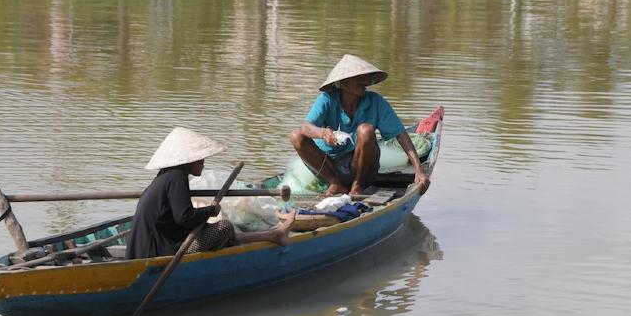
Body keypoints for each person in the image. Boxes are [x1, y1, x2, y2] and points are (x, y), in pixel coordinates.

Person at [126, 127, 295, 260]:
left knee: (213, 230)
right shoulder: (177, 176)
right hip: (158, 252)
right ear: (190, 160)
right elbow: (184, 217)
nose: (203, 164)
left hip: (154, 246)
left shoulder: (166, 176)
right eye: (200, 160)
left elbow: (179, 217)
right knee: (224, 227)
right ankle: (274, 235)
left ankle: (274, 235)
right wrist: (211, 210)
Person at [289, 54, 430, 196]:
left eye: (366, 77)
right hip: (329, 167)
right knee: (296, 136)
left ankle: (357, 186)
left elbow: (401, 135)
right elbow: (306, 127)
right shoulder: (327, 100)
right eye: (358, 78)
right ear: (343, 83)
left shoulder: (376, 102)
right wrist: (322, 133)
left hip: (361, 169)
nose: (365, 82)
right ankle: (335, 184)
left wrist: (419, 170)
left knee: (366, 130)